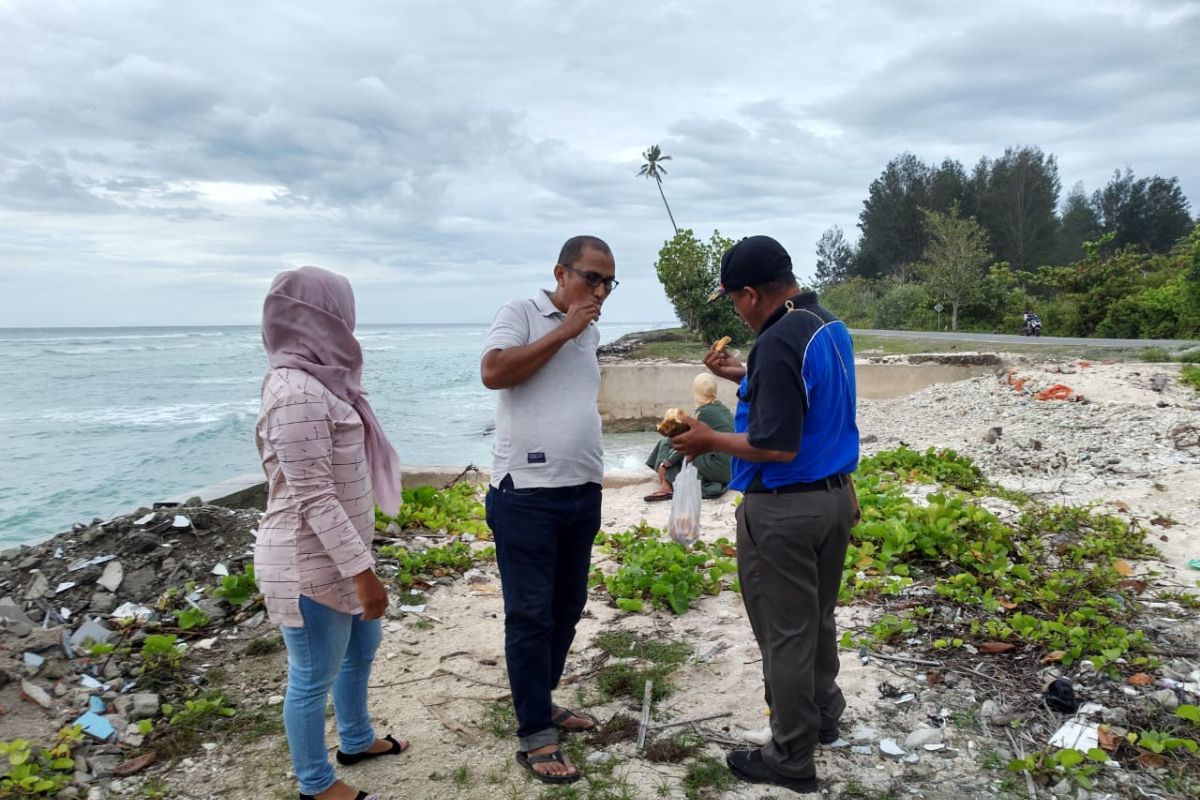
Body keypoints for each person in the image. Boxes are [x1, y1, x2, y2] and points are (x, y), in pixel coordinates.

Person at [671, 236, 860, 795]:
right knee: (816, 618)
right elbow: (806, 396)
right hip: (834, 500)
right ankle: (825, 715)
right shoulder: (826, 324)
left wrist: (708, 439)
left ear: (752, 293)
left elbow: (776, 446)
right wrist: (737, 373)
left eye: (734, 300)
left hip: (785, 510)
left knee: (785, 636)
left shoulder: (778, 341)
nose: (736, 310)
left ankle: (790, 755)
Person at [255, 266, 408, 800]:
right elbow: (313, 497)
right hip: (306, 564)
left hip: (338, 556)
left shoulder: (320, 381)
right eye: (342, 311)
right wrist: (364, 575)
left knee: (361, 647)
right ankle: (315, 785)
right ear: (321, 317)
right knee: (311, 674)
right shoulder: (296, 392)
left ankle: (356, 739)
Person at [480, 235, 616, 785]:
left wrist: (578, 330)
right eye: (591, 278)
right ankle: (535, 731)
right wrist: (565, 329)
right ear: (561, 273)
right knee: (530, 614)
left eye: (609, 282)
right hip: (526, 493)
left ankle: (541, 698)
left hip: (582, 490)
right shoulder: (521, 312)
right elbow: (493, 371)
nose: (601, 290)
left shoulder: (593, 333)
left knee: (568, 605)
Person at [644, 372, 734, 501]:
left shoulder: (703, 413)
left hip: (718, 466)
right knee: (668, 442)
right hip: (731, 468)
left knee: (669, 444)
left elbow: (688, 443)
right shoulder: (724, 409)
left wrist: (666, 463)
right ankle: (667, 480)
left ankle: (667, 485)